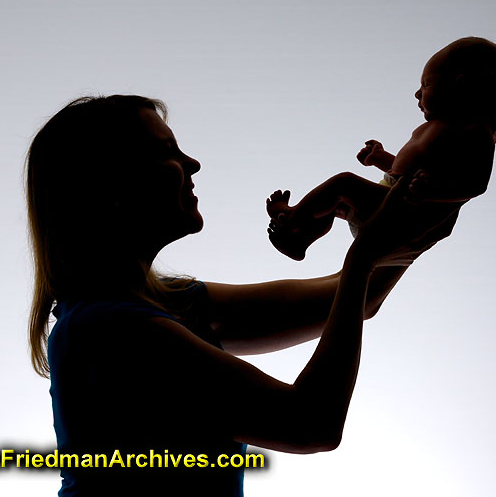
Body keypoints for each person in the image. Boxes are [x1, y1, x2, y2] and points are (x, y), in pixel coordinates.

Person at [26, 95, 440, 496]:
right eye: (166, 151)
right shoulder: (108, 328)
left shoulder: (174, 302)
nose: (193, 164)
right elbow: (311, 423)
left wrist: (421, 196)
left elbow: (357, 299)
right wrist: (366, 254)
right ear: (109, 184)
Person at [265, 37, 496, 260]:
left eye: (425, 85)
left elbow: (476, 184)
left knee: (343, 184)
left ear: (460, 85)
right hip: (388, 196)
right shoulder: (435, 128)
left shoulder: (473, 132)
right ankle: (301, 240)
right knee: (334, 204)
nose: (417, 94)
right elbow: (406, 169)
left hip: (408, 214)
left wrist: (433, 191)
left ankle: (293, 218)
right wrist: (379, 159)